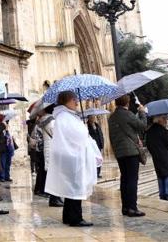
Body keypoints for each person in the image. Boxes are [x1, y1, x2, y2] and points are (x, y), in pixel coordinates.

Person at [45, 91, 102, 227]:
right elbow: (79, 135)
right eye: (74, 100)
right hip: (72, 157)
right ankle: (76, 218)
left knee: (72, 188)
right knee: (76, 187)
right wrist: (83, 129)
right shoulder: (65, 117)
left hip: (72, 156)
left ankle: (68, 216)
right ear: (67, 101)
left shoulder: (66, 116)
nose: (77, 102)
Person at [108, 94, 148, 217]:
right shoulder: (127, 114)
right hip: (130, 152)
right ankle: (132, 207)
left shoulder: (112, 117)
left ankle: (125, 207)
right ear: (128, 102)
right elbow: (142, 126)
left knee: (124, 179)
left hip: (120, 153)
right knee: (132, 180)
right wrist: (142, 112)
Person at [34, 103, 63, 207]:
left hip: (48, 149)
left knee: (52, 174)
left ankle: (55, 198)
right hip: (53, 149)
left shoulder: (44, 120)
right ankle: (55, 199)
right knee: (55, 175)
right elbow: (57, 134)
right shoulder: (51, 121)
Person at [146, 115, 168, 202]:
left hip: (157, 157)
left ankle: (163, 194)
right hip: (166, 156)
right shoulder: (162, 131)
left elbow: (148, 144)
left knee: (161, 175)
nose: (165, 121)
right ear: (159, 120)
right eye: (164, 118)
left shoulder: (149, 131)